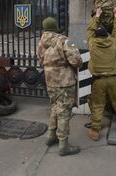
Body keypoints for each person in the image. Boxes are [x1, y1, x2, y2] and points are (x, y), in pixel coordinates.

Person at [37, 17, 82, 156]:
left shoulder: (41, 42)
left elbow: (40, 60)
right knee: (64, 112)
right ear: (55, 27)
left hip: (50, 80)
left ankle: (51, 136)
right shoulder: (64, 40)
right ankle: (63, 145)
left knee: (55, 107)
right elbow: (77, 61)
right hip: (65, 81)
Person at [86, 7, 116, 141]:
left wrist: (96, 15)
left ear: (97, 36)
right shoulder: (114, 43)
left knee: (97, 105)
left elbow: (89, 30)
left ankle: (95, 131)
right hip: (114, 79)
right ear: (106, 35)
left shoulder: (92, 43)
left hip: (99, 80)